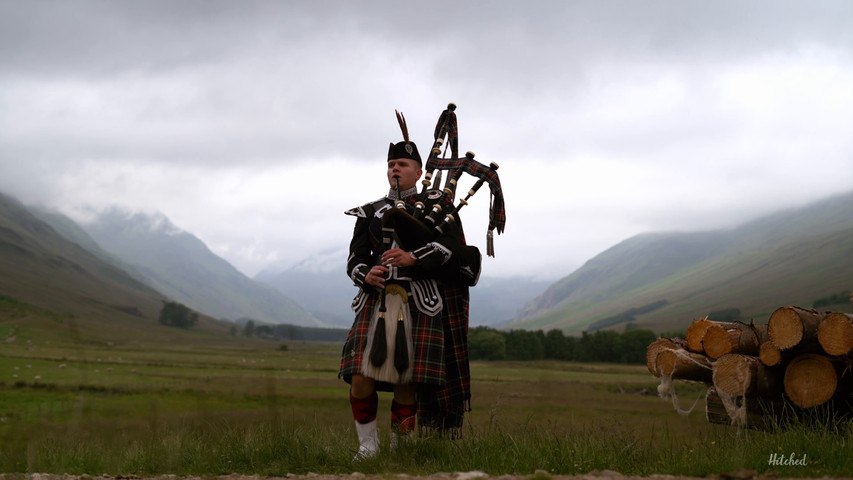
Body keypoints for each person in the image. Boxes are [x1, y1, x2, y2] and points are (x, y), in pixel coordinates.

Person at [339, 118, 475, 459]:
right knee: (359, 376)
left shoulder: (439, 208)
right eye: (390, 165)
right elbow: (354, 259)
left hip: (419, 301)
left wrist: (414, 257)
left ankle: (400, 451)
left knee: (405, 380)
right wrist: (365, 273)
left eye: (401, 164)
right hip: (376, 300)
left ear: (417, 172)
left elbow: (458, 252)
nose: (394, 169)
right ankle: (367, 448)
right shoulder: (369, 212)